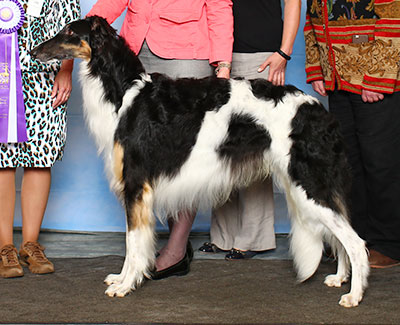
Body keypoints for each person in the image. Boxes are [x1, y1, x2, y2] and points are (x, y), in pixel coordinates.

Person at [87, 0, 233, 278]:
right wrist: (80, 30)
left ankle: (176, 248)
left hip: (186, 53)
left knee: (183, 155)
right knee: (146, 158)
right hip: (135, 50)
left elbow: (219, 6)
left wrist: (223, 66)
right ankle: (151, 245)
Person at [199, 0, 301, 260]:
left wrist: (284, 51)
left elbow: (293, 2)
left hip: (260, 54)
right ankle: (222, 234)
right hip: (219, 53)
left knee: (255, 149)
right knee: (221, 147)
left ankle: (254, 236)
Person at [304, 0, 400, 268]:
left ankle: (389, 244)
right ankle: (357, 240)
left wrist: (378, 76)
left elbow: (393, 19)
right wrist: (316, 68)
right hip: (337, 81)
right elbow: (312, 22)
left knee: (381, 164)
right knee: (348, 163)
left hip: (374, 80)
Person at [0, 0, 81, 278]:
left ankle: (30, 245)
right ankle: (5, 248)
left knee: (40, 157)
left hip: (45, 73)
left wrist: (66, 69)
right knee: (2, 160)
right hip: (2, 72)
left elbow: (69, 25)